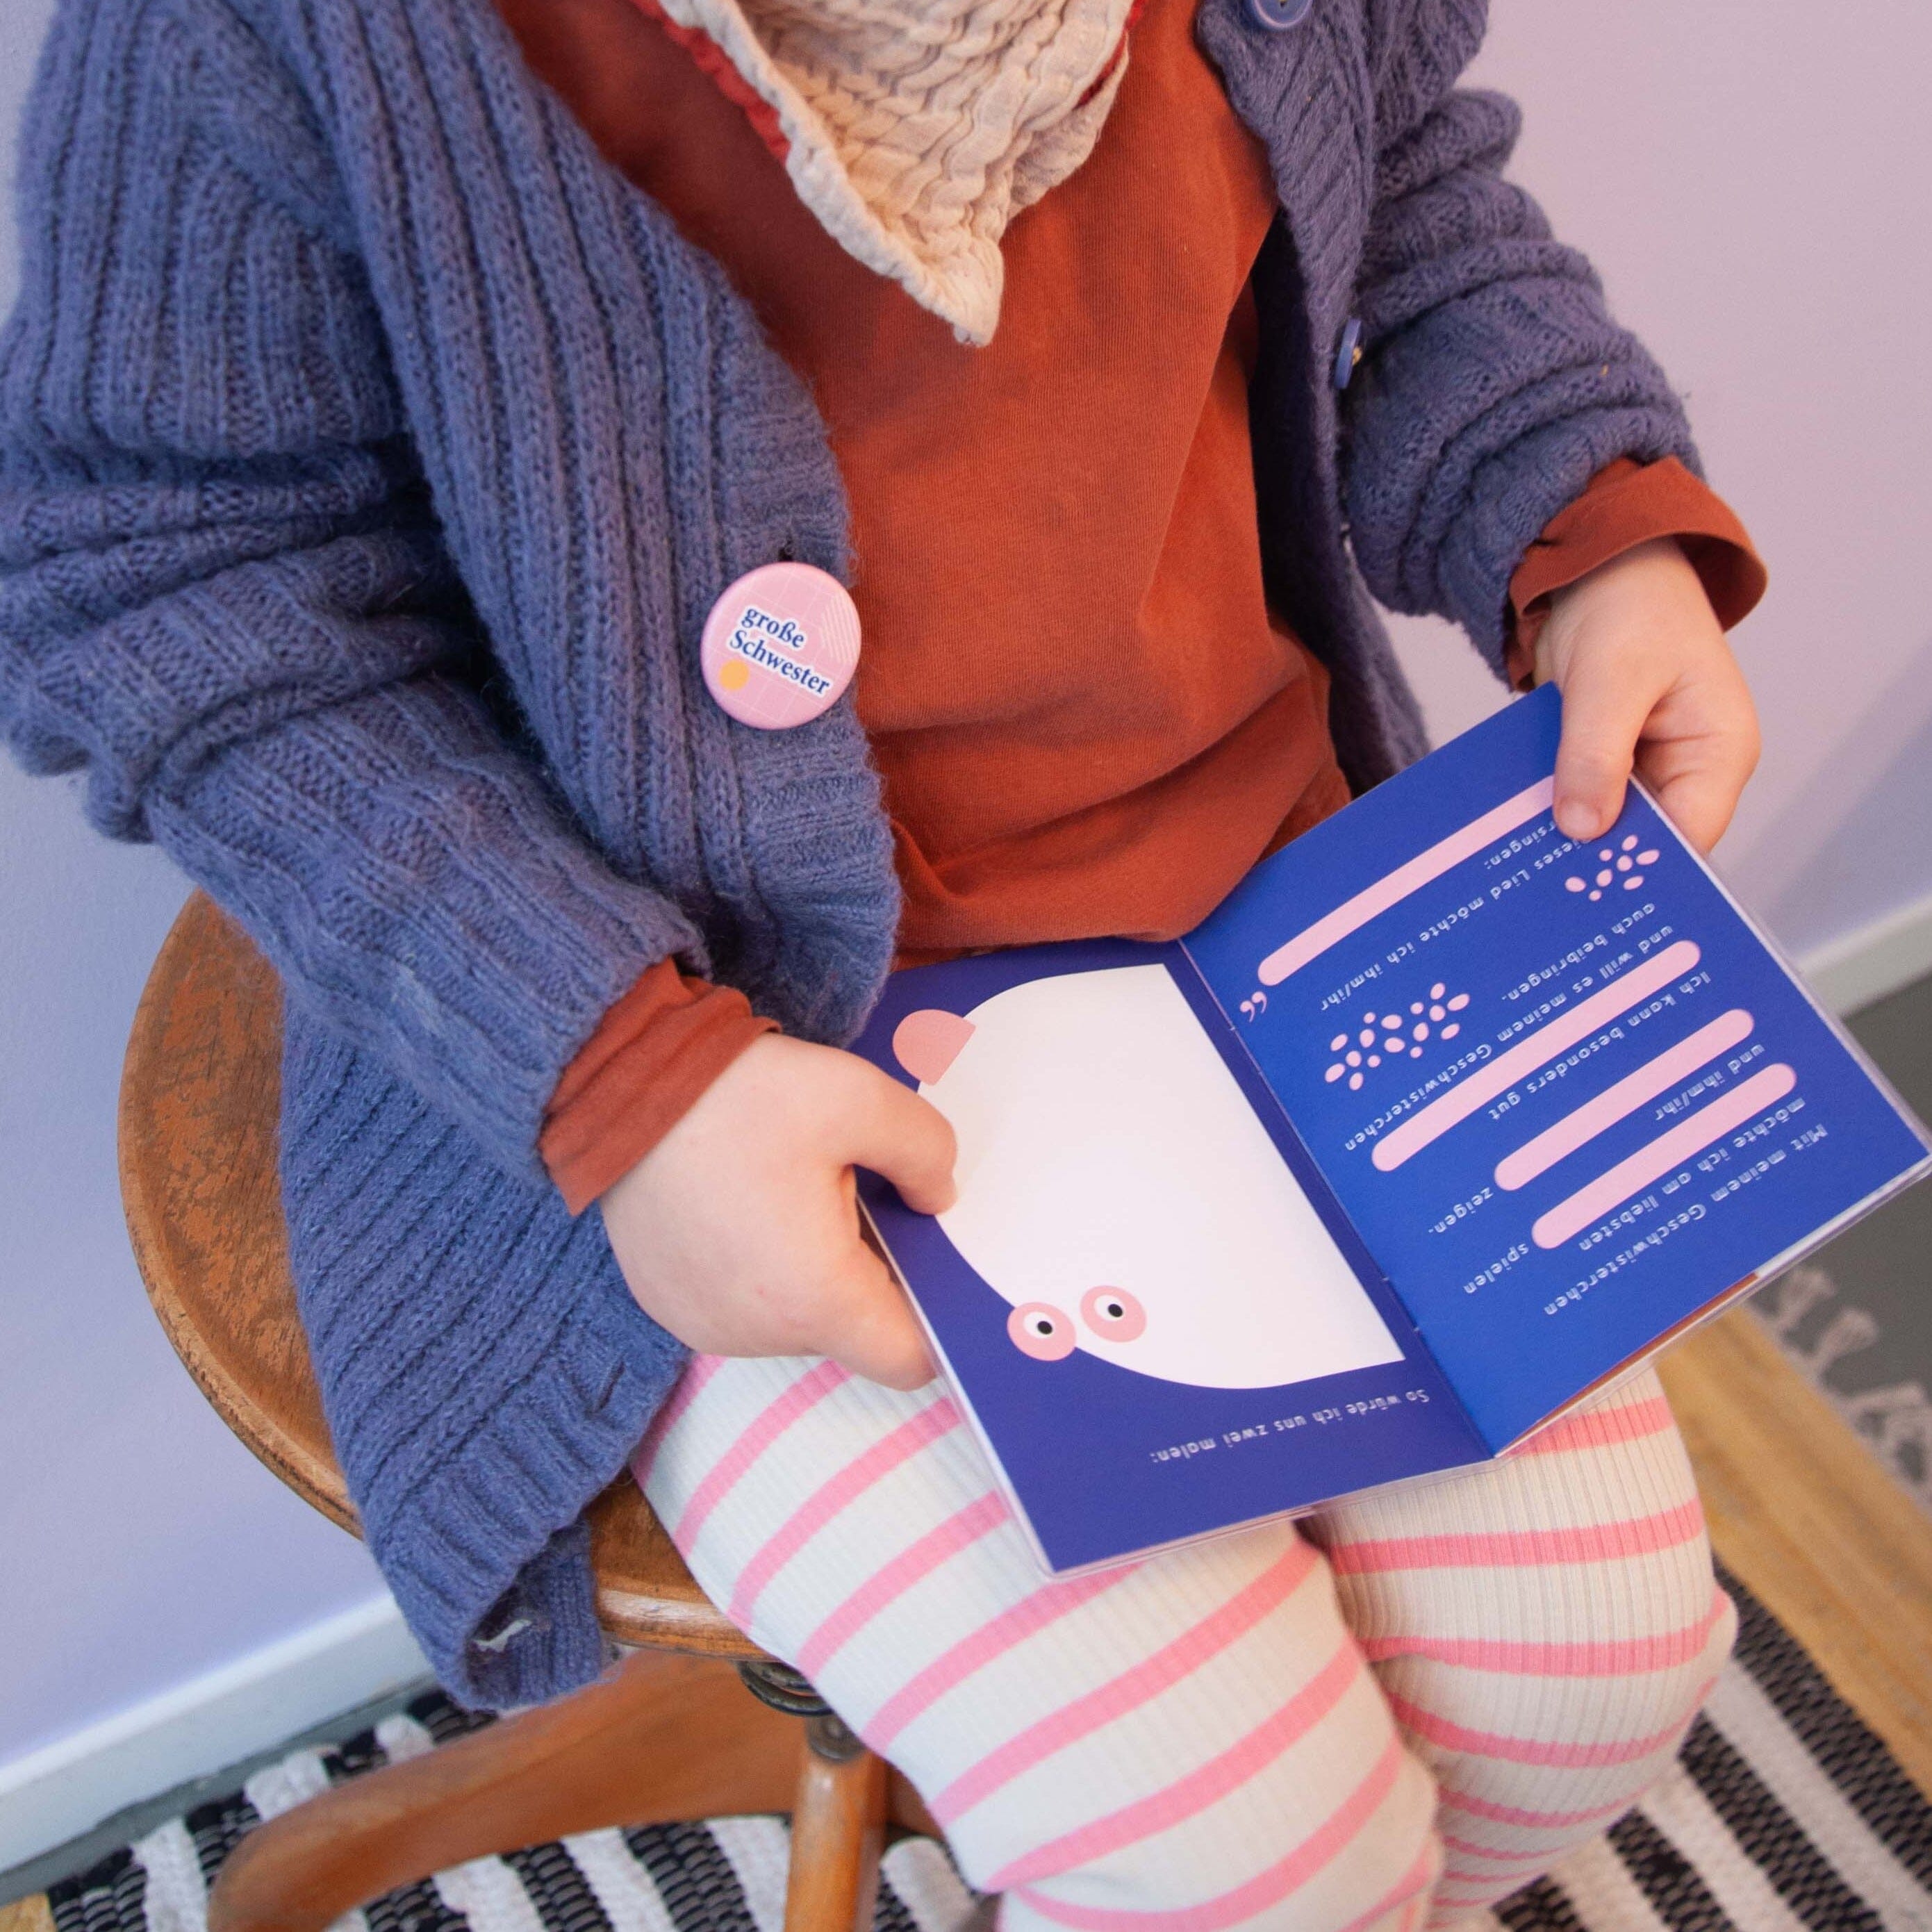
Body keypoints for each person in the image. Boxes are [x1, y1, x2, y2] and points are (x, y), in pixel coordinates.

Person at [1, 0, 1765, 1919]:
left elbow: (1405, 190)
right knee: (1244, 1854)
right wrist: (611, 1064)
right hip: (701, 1027)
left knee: (1597, 1668)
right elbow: (160, 574)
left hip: (1278, 920)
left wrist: (1588, 520)